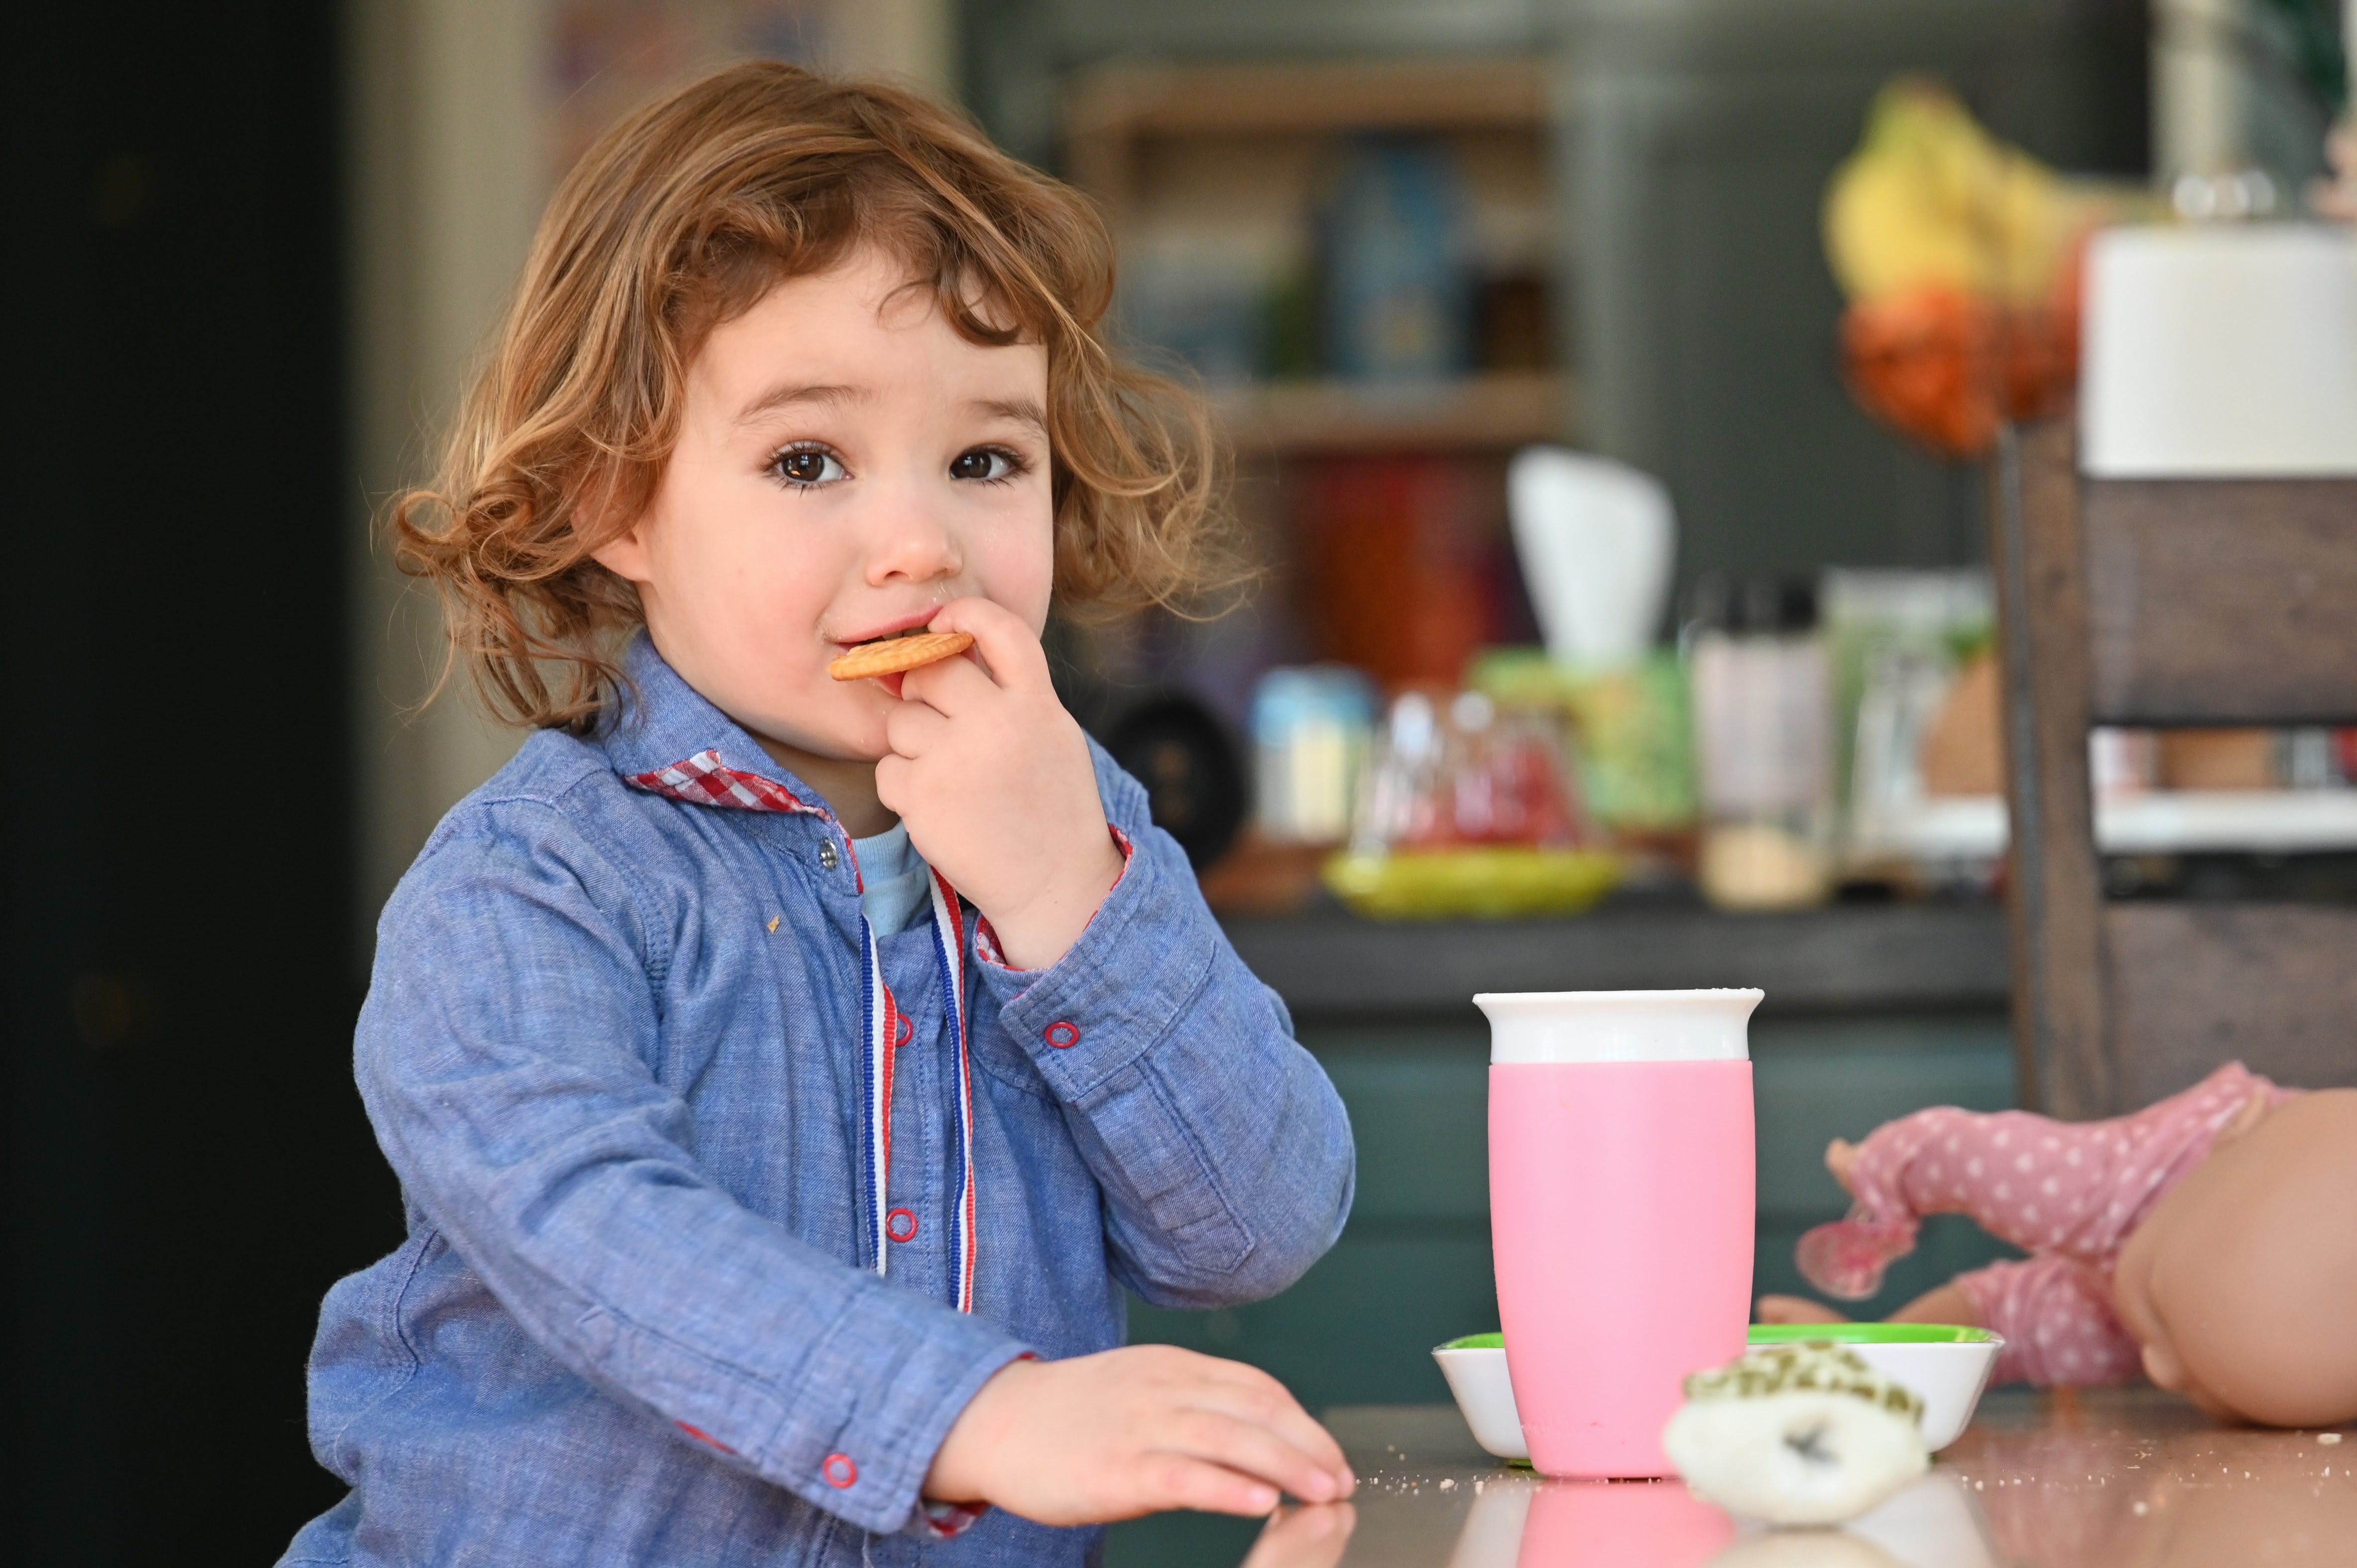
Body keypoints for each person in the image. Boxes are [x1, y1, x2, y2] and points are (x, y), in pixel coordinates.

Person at [281, 63, 1357, 1566]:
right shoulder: (528, 892)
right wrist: (979, 1414)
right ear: (617, 502)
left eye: (985, 458)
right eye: (807, 460)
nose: (920, 540)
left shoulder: (1077, 831)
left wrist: (1068, 901)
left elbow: (1260, 1221)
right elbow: (608, 1240)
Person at [1758, 1063, 2357, 1428]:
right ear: (2232, 1134)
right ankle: (1887, 1353)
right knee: (2011, 1306)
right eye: (2164, 1331)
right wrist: (1885, 1173)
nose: (2155, 1368)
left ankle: (1889, 1377)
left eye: (2210, 1393)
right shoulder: (2111, 1178)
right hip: (2160, 1196)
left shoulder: (2197, 1287)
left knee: (2012, 1324)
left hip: (2189, 1263)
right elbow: (1970, 1155)